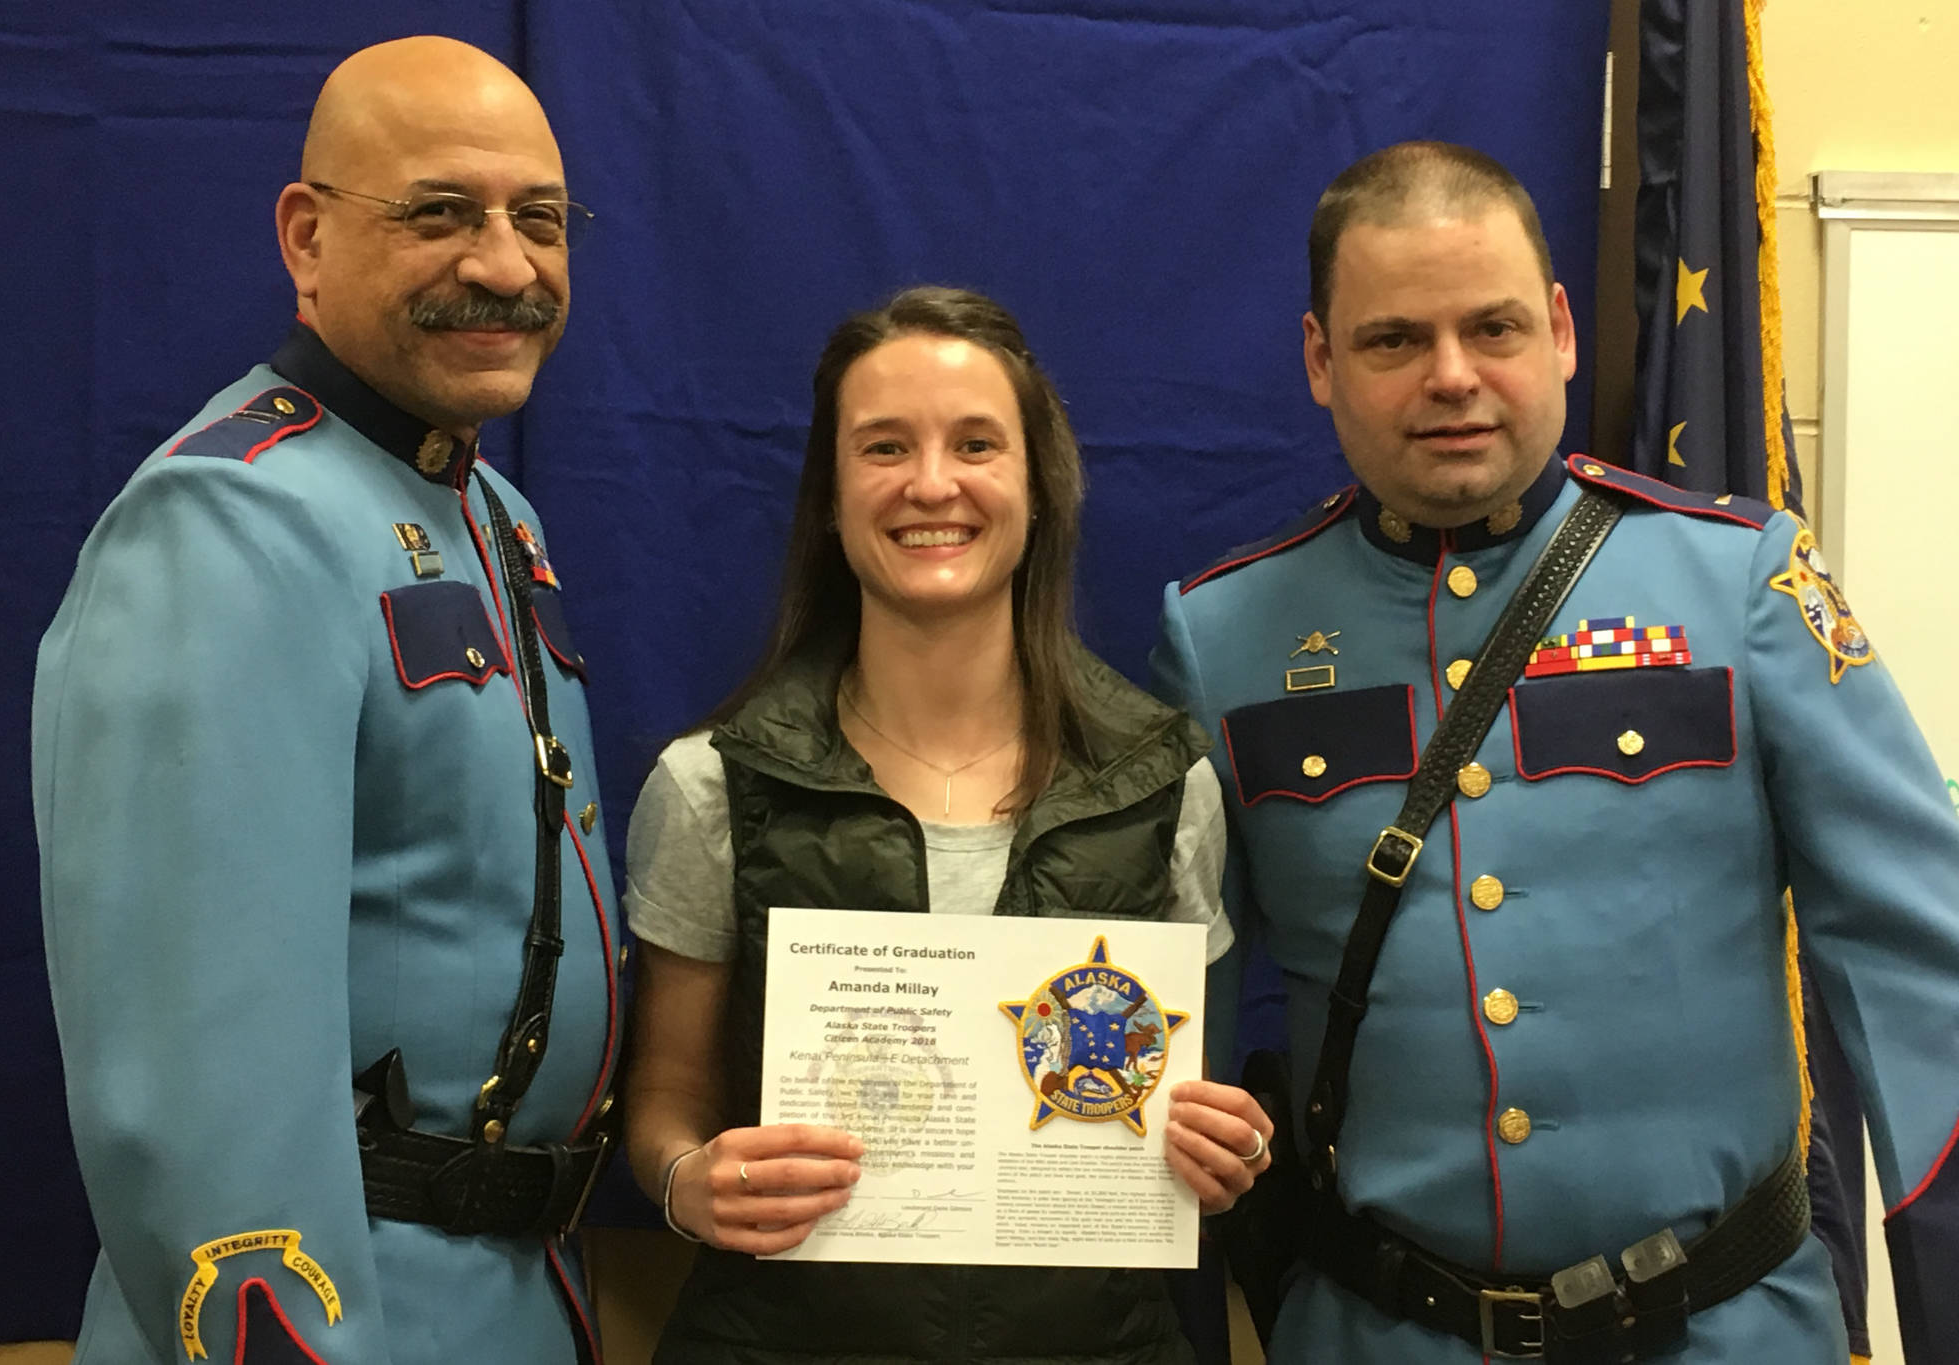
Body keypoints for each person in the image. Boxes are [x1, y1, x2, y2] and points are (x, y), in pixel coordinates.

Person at [1152, 140, 1959, 1362]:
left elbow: (1922, 972)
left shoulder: (1739, 581)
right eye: (1391, 342)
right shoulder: (1220, 639)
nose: (1452, 377)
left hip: (1724, 1330)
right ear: (1319, 358)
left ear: (1562, 332)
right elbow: (1167, 1042)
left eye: (1494, 328)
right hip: (1376, 1335)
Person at [31, 37, 619, 1365]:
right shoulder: (229, 522)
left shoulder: (492, 513)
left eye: (539, 219)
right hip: (341, 1307)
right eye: (440, 213)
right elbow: (193, 1092)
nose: (506, 266)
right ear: (307, 236)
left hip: (510, 1300)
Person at [622, 286, 1275, 1363]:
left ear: (1036, 485)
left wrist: (1221, 1148)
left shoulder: (1164, 783)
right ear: (831, 498)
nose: (932, 484)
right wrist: (688, 1183)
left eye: (975, 443)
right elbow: (664, 1099)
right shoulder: (710, 785)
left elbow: (1185, 1107)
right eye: (884, 447)